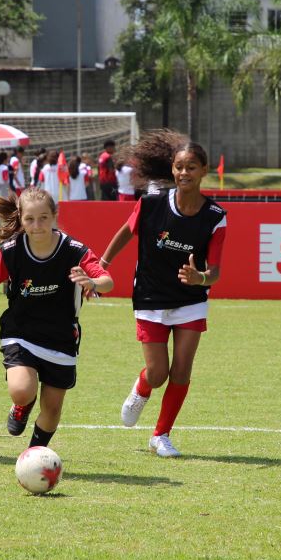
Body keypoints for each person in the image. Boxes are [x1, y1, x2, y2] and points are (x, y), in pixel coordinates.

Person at [99, 130, 227, 458]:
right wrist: (102, 264)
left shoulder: (215, 217)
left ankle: (161, 435)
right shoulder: (152, 204)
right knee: (157, 373)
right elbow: (126, 232)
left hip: (190, 302)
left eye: (192, 167)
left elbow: (215, 271)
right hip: (151, 297)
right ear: (172, 169)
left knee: (182, 371)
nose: (185, 173)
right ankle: (141, 389)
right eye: (180, 167)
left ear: (204, 171)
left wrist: (200, 278)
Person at [0, 187, 113, 449]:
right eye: (30, 219)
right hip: (21, 331)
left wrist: (91, 281)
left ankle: (34, 454)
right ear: (21, 219)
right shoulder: (12, 250)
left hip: (61, 336)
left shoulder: (73, 249)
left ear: (54, 216)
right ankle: (23, 404)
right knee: (22, 390)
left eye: (44, 218)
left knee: (53, 409)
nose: (37, 226)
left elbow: (107, 282)